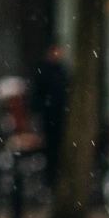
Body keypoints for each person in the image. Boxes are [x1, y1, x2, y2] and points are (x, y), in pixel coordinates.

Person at [32, 43, 69, 188]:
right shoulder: (45, 71)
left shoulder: (61, 70)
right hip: (50, 118)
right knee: (51, 151)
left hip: (59, 118)